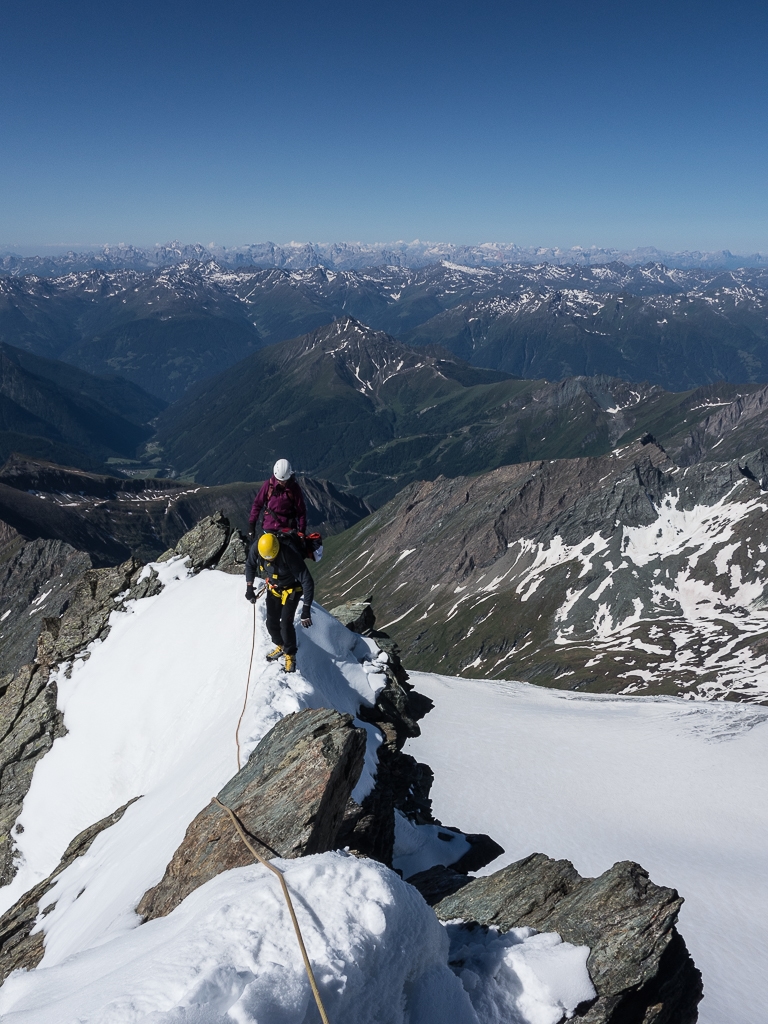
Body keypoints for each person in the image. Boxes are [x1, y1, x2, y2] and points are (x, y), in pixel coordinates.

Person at [245, 532, 313, 673]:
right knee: (271, 623)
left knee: (285, 624)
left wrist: (306, 609)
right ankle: (281, 645)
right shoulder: (258, 547)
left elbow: (307, 580)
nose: (269, 560)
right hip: (274, 588)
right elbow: (250, 564)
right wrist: (249, 587)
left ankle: (290, 655)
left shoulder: (289, 553)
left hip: (292, 589)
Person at [248, 459, 307, 539]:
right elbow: (257, 505)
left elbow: (301, 511)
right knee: (254, 550)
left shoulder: (294, 488)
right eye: (279, 480)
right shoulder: (268, 485)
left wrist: (301, 531)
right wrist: (252, 525)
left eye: (284, 481)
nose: (281, 482)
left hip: (287, 529)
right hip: (269, 528)